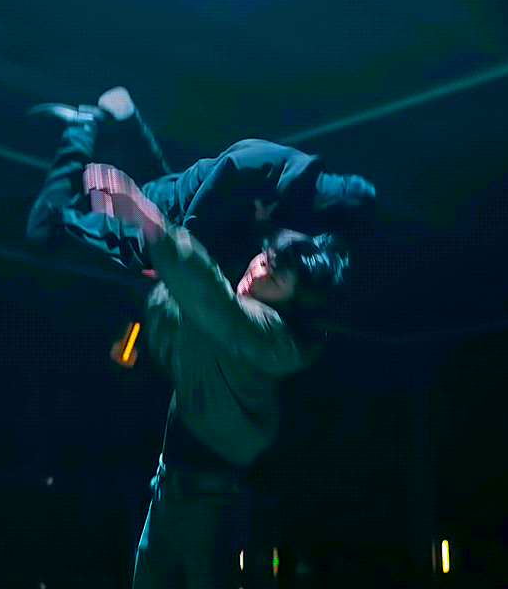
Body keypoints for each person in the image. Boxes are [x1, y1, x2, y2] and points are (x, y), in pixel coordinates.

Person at [83, 162, 347, 589]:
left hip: (211, 502)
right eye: (265, 258)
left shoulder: (270, 336)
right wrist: (165, 267)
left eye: (275, 275)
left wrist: (145, 217)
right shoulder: (239, 316)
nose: (258, 269)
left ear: (291, 303)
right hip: (172, 487)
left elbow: (212, 303)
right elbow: (195, 305)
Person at [25, 87, 374, 284]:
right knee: (43, 232)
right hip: (164, 217)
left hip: (175, 206)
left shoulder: (291, 194)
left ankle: (129, 122)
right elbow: (214, 195)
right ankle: (83, 126)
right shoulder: (274, 170)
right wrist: (178, 260)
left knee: (161, 187)